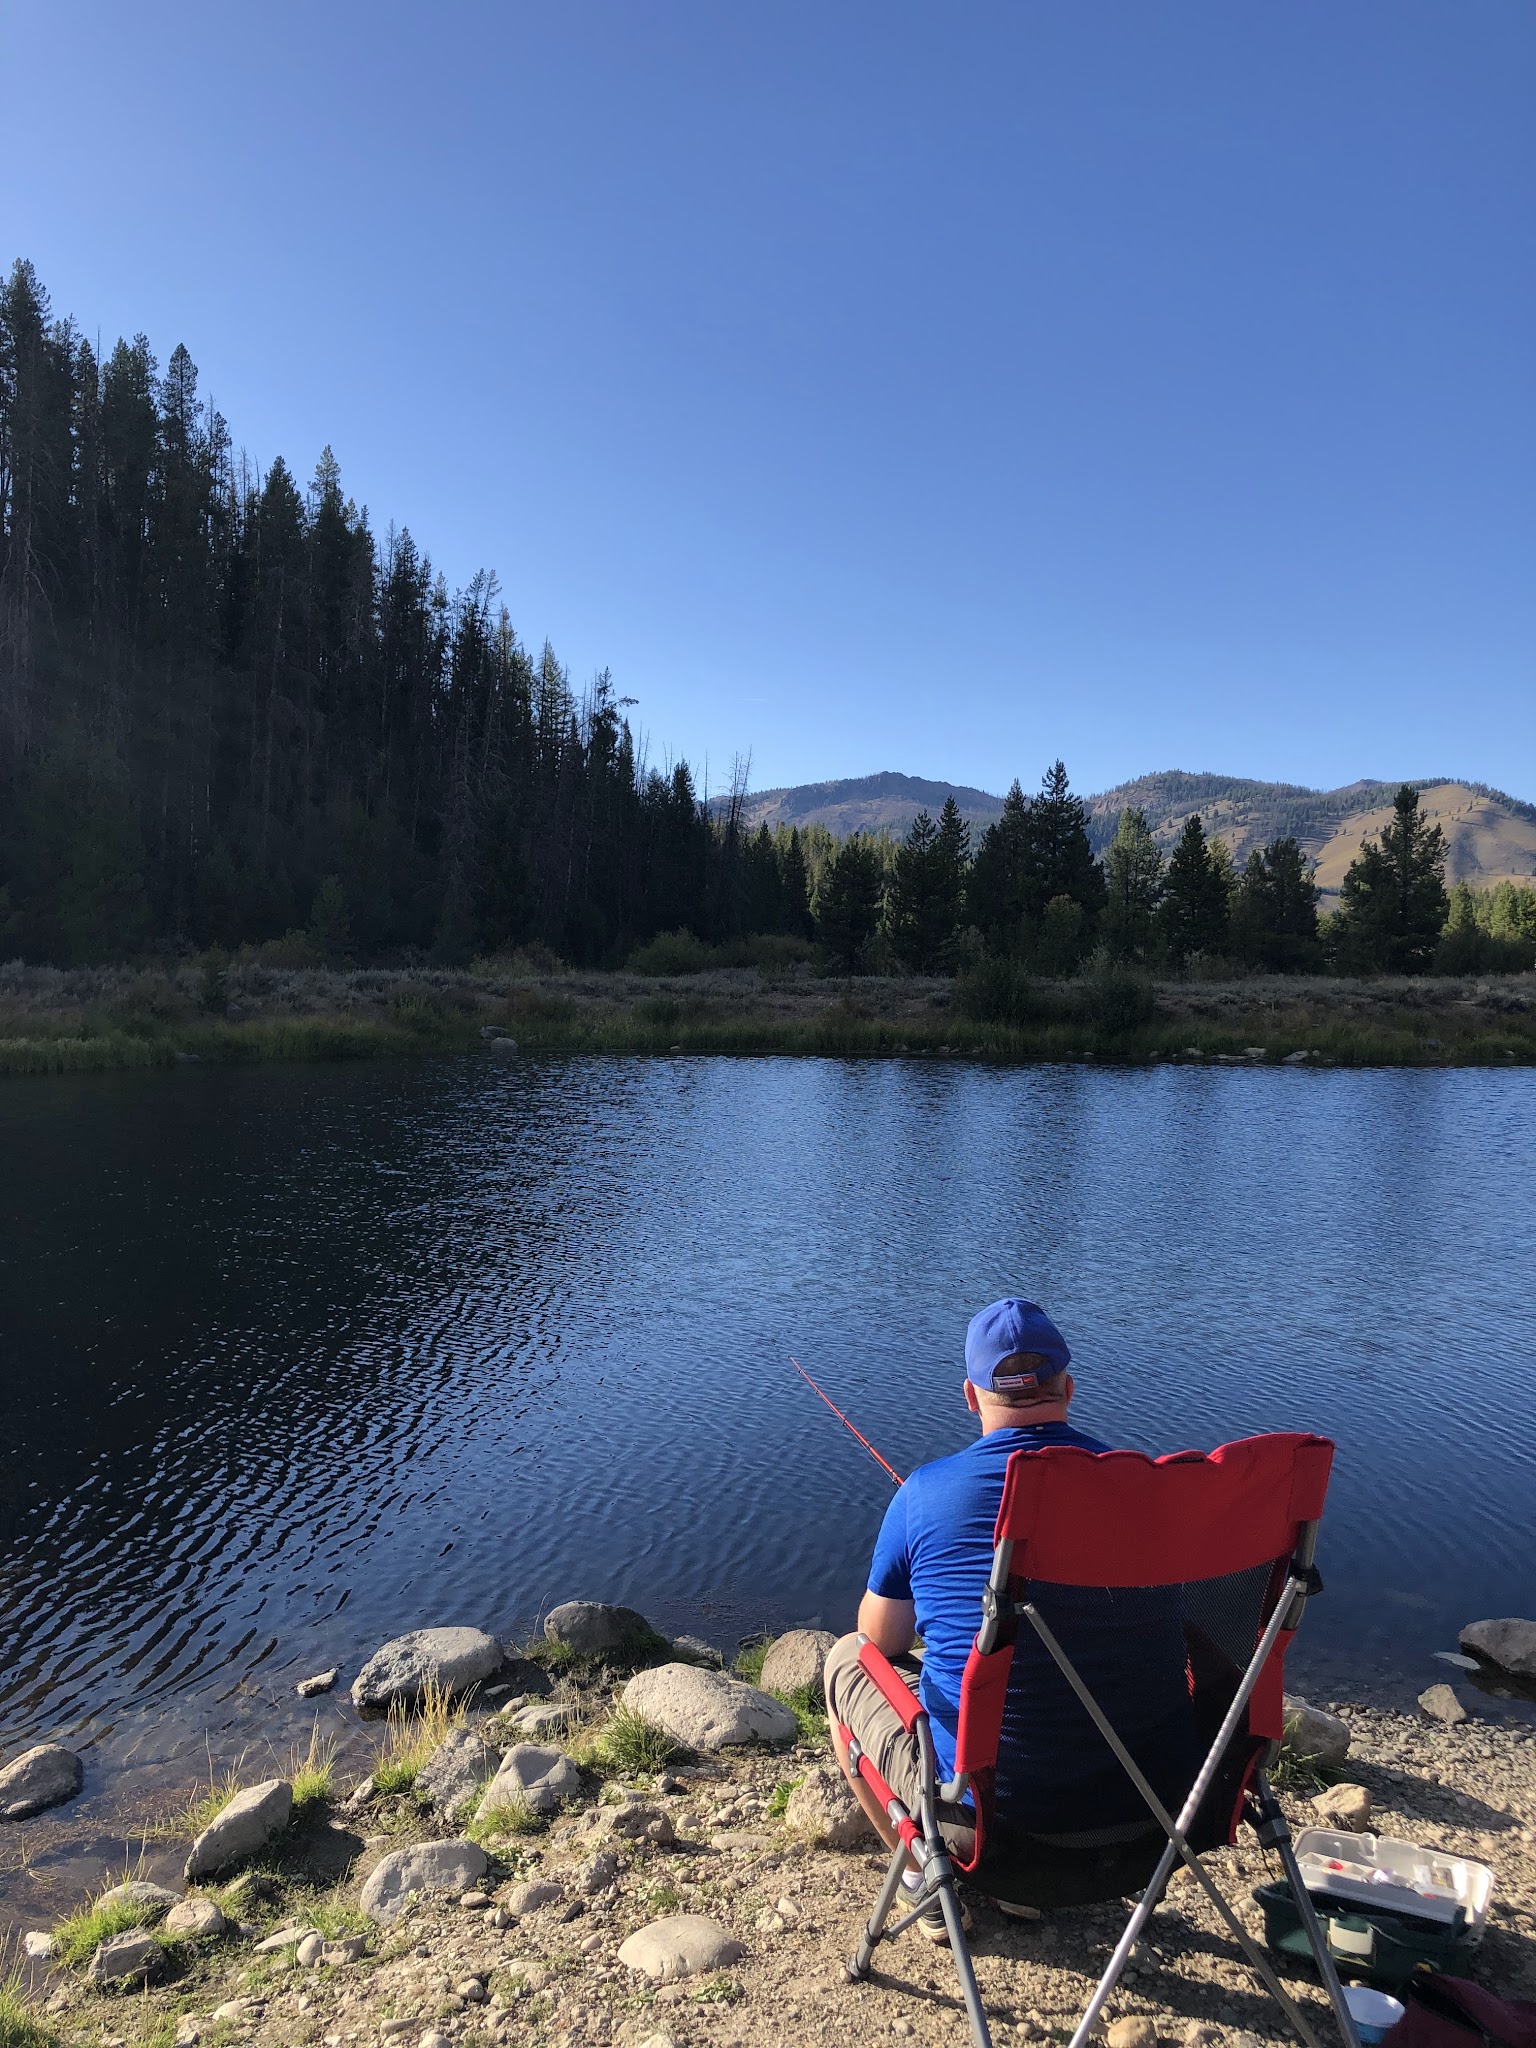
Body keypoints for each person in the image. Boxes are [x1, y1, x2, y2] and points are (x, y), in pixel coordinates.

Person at [823, 1297, 1198, 1931]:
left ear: (970, 1396)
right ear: (1069, 1387)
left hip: (997, 1825)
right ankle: (1019, 1888)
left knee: (843, 1660)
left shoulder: (926, 1492)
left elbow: (879, 1638)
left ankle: (928, 1878)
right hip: (1160, 1809)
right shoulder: (1146, 1489)